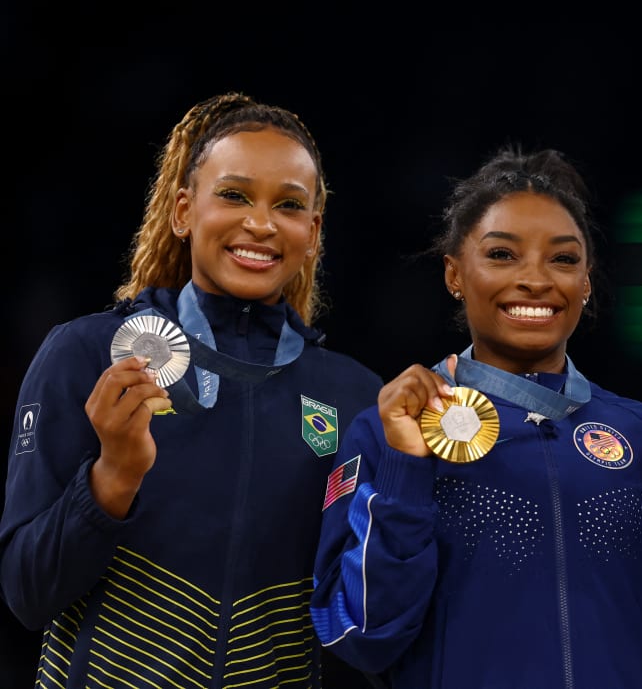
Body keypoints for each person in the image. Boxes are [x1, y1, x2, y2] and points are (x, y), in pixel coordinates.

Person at [0, 92, 385, 688]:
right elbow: (27, 593)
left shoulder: (353, 395)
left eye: (287, 205)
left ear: (312, 232)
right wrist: (113, 478)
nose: (259, 222)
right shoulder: (85, 354)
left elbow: (364, 619)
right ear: (183, 211)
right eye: (233, 195)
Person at [311, 145, 642, 688]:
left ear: (586, 281)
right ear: (454, 273)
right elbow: (361, 636)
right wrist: (405, 470)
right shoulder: (389, 430)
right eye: (502, 255)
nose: (536, 279)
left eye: (563, 258)